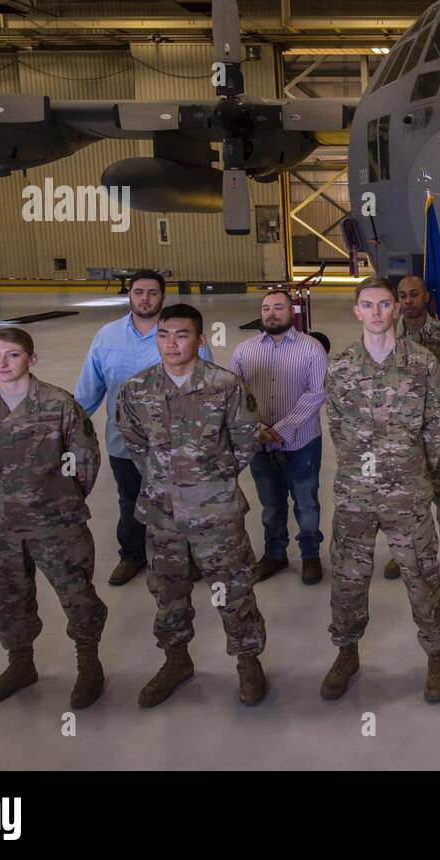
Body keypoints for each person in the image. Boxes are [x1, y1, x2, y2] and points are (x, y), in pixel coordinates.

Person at [117, 304, 268, 707]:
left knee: (231, 588)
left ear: (200, 340)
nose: (171, 343)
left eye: (181, 335)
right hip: (161, 513)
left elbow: (246, 438)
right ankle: (176, 660)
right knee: (167, 591)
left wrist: (212, 476)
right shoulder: (137, 389)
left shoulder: (225, 385)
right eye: (163, 335)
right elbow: (132, 441)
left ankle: (248, 660)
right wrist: (162, 475)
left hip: (216, 513)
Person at [320, 276, 440, 703]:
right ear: (357, 311)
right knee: (347, 579)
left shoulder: (424, 364)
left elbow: (437, 429)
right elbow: (337, 428)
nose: (377, 313)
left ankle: (437, 653)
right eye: (368, 305)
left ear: (396, 309)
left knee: (422, 577)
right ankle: (346, 652)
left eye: (384, 304)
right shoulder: (340, 367)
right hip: (355, 495)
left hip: (408, 495)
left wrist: (418, 475)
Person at [0, 328, 108, 709]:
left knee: (75, 593)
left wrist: (60, 498)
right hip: (2, 524)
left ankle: (89, 663)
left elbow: (84, 461)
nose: (2, 363)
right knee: (9, 597)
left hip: (56, 521)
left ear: (32, 359)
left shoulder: (58, 404)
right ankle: (20, 664)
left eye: (12, 355)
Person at [75, 270, 209, 587]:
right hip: (123, 442)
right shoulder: (106, 336)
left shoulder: (181, 332)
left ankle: (186, 556)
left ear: (162, 296)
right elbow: (88, 391)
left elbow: (205, 387)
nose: (145, 298)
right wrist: (68, 432)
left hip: (176, 444)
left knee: (181, 500)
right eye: (138, 292)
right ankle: (133, 555)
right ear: (130, 295)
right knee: (130, 499)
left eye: (151, 292)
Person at [229, 289, 328, 585]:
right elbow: (233, 393)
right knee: (271, 504)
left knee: (306, 502)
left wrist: (281, 429)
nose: (271, 313)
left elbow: (318, 392)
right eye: (266, 308)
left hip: (302, 442)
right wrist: (257, 430)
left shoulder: (312, 349)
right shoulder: (243, 350)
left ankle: (310, 554)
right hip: (259, 444)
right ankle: (275, 554)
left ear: (291, 312)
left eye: (278, 307)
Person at [382, 274, 440, 581]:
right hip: (400, 434)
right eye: (403, 296)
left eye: (414, 295)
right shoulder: (386, 336)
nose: (408, 301)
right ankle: (405, 552)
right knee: (404, 495)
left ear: (426, 297)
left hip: (436, 433)